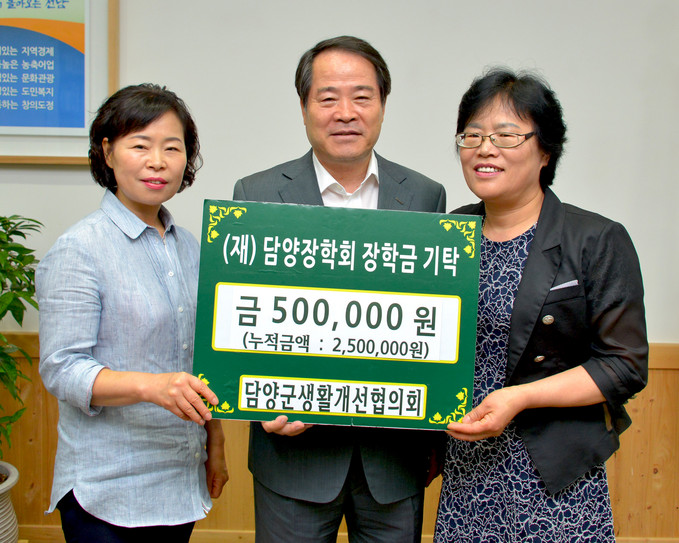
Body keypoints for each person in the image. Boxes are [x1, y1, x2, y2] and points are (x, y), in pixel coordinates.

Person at [233, 36, 446, 543]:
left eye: (362, 97)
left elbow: (435, 319)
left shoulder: (424, 196)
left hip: (392, 461)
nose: (345, 112)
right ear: (304, 106)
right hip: (293, 457)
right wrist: (258, 404)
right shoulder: (256, 195)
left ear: (383, 105)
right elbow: (240, 318)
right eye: (328, 97)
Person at [434, 68, 648, 542]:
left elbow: (625, 365)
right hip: (467, 469)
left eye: (506, 135)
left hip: (554, 476)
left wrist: (519, 398)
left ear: (545, 151)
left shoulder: (594, 238)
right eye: (472, 135)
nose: (485, 148)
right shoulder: (447, 234)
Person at [37, 83, 228, 543]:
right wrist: (151, 386)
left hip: (179, 476)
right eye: (140, 145)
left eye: (172, 148)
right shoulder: (79, 249)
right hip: (107, 486)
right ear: (107, 152)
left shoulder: (191, 248)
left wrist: (215, 442)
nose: (157, 161)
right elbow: (62, 369)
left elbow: (202, 357)